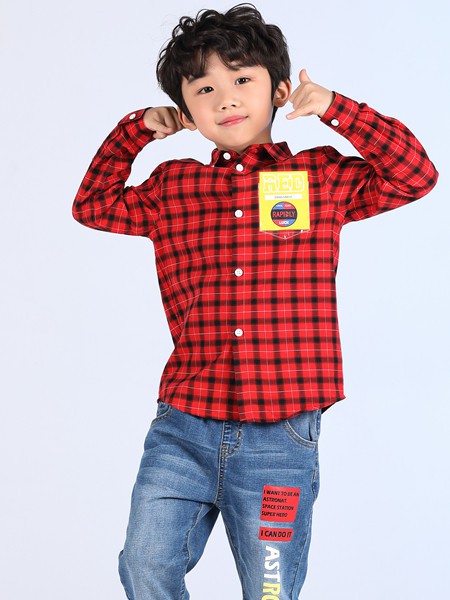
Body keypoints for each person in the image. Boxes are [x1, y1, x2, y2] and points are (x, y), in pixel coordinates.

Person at [72, 4, 438, 599]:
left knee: (269, 590)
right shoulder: (173, 188)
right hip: (184, 425)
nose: (226, 99)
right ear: (187, 111)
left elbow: (414, 175)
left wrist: (336, 108)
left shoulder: (321, 179)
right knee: (144, 563)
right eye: (204, 89)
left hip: (281, 434)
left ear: (279, 90)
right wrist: (135, 131)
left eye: (243, 79)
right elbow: (92, 205)